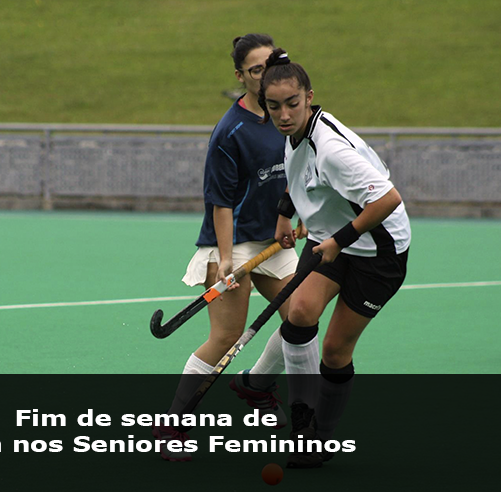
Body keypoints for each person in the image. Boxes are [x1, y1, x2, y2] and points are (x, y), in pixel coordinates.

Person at [255, 48, 411, 468]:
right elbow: (297, 173)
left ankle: (322, 437)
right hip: (333, 237)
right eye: (274, 106)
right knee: (300, 313)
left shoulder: (331, 150)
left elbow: (388, 199)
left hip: (377, 250)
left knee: (335, 351)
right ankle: (302, 424)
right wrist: (285, 213)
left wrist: (339, 241)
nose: (283, 114)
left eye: (292, 103)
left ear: (309, 97)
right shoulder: (294, 132)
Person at [153, 34, 303, 462]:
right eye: (256, 70)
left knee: (301, 318)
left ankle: (255, 384)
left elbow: (298, 172)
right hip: (231, 241)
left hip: (273, 238)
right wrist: (223, 261)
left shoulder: (287, 114)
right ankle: (172, 426)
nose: (265, 75)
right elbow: (219, 202)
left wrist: (295, 216)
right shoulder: (230, 130)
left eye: (270, 65)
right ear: (240, 76)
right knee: (225, 336)